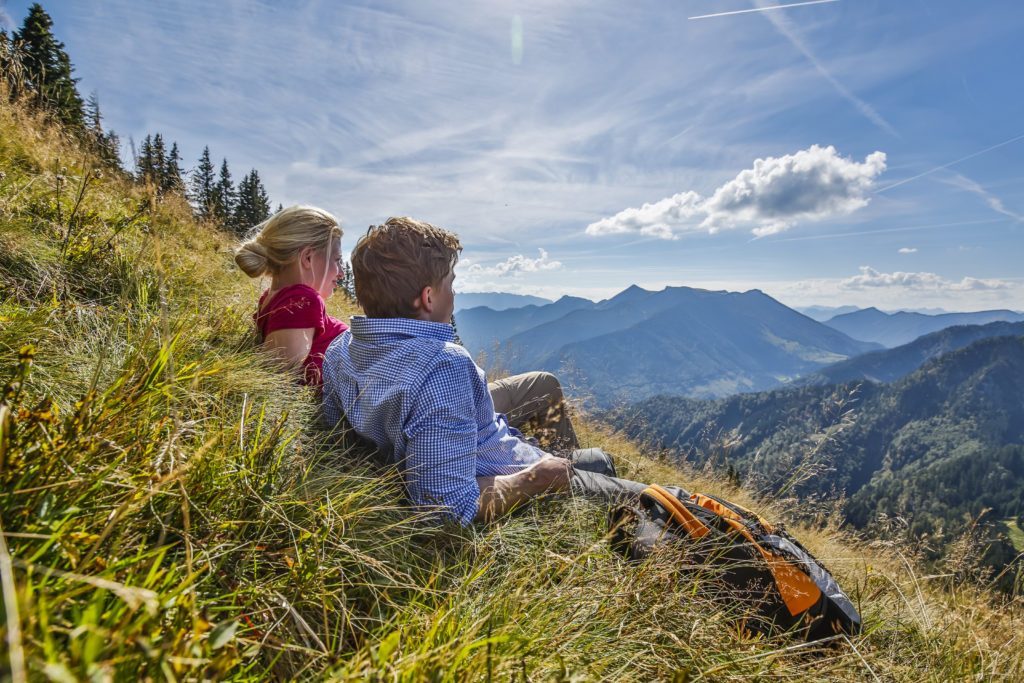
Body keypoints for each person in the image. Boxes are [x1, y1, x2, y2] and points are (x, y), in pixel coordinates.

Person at [321, 216, 647, 524]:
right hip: (505, 475)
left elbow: (344, 440)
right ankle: (590, 521)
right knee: (649, 494)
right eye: (451, 282)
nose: (455, 292)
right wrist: (540, 477)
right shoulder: (443, 367)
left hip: (467, 456)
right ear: (428, 297)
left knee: (581, 443)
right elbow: (447, 507)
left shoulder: (338, 350)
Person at [235, 205, 348, 386]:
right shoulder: (302, 301)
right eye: (337, 260)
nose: (341, 272)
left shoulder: (275, 299)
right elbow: (277, 383)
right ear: (307, 258)